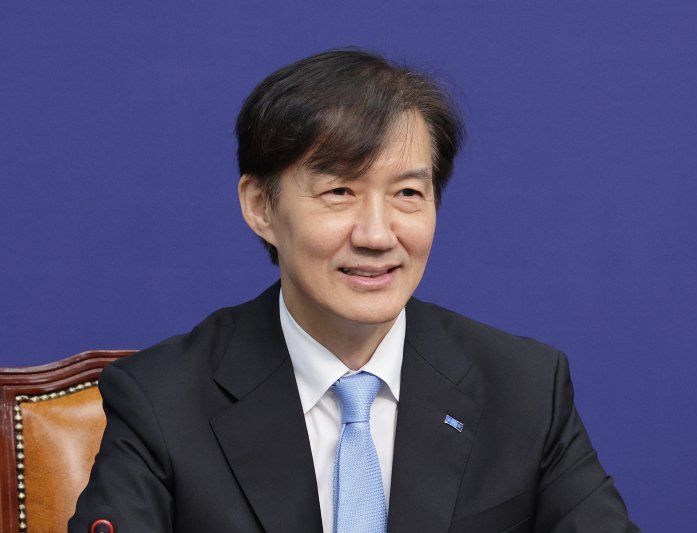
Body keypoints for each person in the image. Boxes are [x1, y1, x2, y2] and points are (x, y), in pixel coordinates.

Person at [70, 49, 640, 532]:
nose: (377, 235)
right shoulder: (162, 399)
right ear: (260, 206)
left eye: (407, 194)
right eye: (340, 192)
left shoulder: (525, 389)